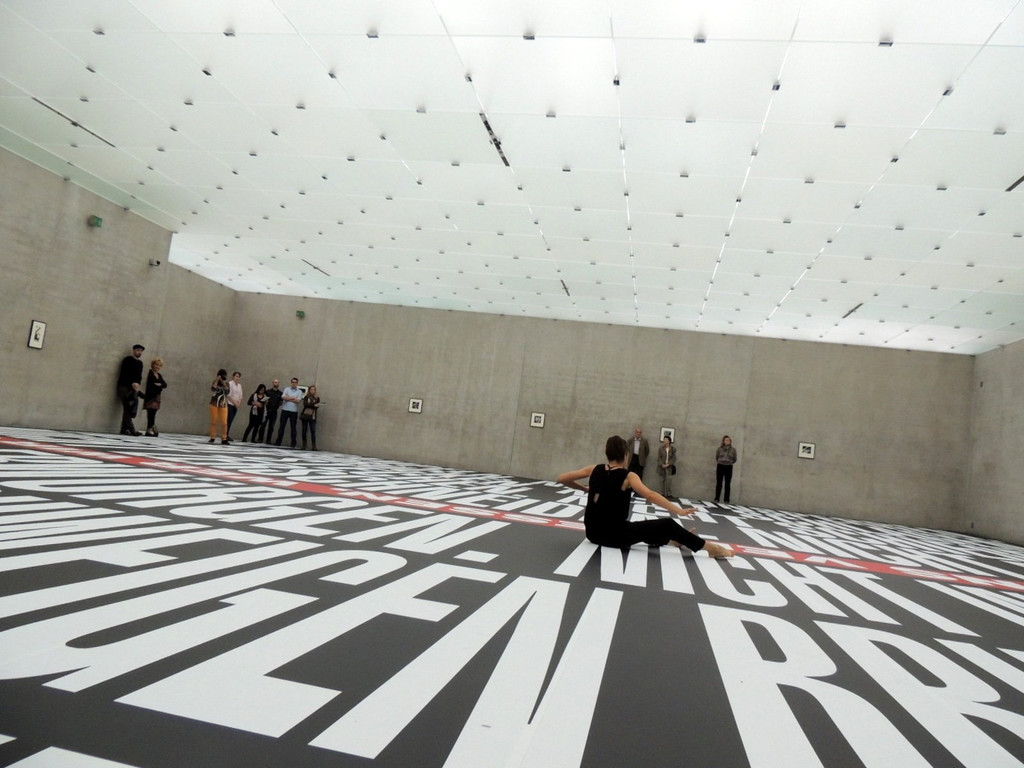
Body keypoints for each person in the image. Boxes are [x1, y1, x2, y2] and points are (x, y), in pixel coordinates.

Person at [557, 436, 732, 558]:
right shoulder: (628, 476)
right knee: (667, 524)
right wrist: (678, 510)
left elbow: (562, 478)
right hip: (615, 536)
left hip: (593, 533)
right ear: (625, 455)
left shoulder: (594, 469)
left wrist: (584, 489)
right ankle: (709, 548)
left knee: (641, 529)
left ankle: (674, 541)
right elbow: (650, 495)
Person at [116, 344, 145, 435]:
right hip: (124, 387)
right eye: (138, 350)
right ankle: (131, 428)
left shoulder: (140, 363)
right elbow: (124, 374)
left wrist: (137, 386)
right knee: (128, 407)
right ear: (134, 350)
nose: (139, 352)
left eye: (141, 351)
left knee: (129, 408)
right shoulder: (128, 360)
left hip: (133, 389)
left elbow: (139, 376)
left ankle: (124, 429)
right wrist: (132, 383)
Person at [142, 357, 168, 437]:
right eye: (156, 365)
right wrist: (159, 385)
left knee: (154, 413)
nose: (158, 367)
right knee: (150, 413)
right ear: (153, 365)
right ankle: (150, 429)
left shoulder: (159, 375)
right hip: (150, 396)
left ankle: (150, 428)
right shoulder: (150, 373)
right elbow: (151, 385)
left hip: (157, 397)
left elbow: (165, 385)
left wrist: (159, 385)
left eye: (159, 365)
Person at [275, 377, 303, 448]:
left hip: (293, 411)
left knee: (293, 427)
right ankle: (278, 442)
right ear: (291, 383)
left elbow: (298, 400)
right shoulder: (287, 389)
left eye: (295, 382)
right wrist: (293, 398)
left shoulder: (299, 391)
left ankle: (293, 443)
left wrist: (288, 398)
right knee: (282, 426)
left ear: (297, 383)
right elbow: (283, 397)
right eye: (292, 382)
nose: (294, 383)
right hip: (285, 410)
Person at [209, 369, 230, 445]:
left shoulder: (227, 383)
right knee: (214, 421)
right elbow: (213, 389)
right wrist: (217, 380)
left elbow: (227, 392)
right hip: (214, 403)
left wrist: (223, 382)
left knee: (224, 422)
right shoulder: (215, 382)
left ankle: (224, 438)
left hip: (223, 404)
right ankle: (212, 437)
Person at [715, 435, 738, 504]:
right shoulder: (719, 449)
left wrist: (729, 462)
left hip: (729, 467)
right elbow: (717, 457)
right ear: (723, 441)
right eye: (726, 440)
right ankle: (717, 498)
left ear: (730, 441)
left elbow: (735, 459)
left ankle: (726, 500)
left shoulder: (733, 450)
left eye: (728, 440)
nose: (727, 441)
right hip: (720, 466)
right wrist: (721, 461)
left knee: (727, 484)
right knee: (719, 483)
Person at [260, 379, 283, 443]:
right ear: (273, 383)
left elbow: (281, 402)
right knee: (263, 425)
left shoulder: (280, 393)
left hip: (274, 411)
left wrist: (279, 404)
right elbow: (263, 400)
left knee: (271, 426)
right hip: (266, 410)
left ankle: (268, 440)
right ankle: (260, 438)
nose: (276, 383)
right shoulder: (267, 392)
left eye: (277, 382)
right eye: (275, 382)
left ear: (279, 384)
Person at [300, 384, 321, 450]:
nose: (312, 391)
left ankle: (314, 446)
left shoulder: (317, 398)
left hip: (313, 416)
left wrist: (314, 405)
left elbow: (317, 406)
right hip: (305, 415)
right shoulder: (306, 397)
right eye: (311, 389)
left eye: (314, 389)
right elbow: (305, 404)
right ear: (309, 390)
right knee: (304, 431)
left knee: (313, 431)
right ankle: (304, 445)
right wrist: (314, 405)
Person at [656, 433, 677, 499]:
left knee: (669, 481)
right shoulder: (660, 448)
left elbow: (674, 458)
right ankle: (661, 493)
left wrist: (668, 464)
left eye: (666, 440)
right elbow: (658, 458)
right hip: (661, 467)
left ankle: (669, 493)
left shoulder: (673, 449)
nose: (664, 441)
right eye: (664, 439)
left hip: (669, 467)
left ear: (669, 441)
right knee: (661, 480)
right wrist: (662, 464)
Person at [225, 371, 243, 440]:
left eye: (239, 377)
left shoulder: (239, 385)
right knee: (229, 420)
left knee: (231, 420)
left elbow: (240, 395)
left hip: (236, 405)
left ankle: (227, 434)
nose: (237, 378)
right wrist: (235, 403)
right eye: (236, 376)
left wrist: (238, 403)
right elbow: (229, 395)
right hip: (230, 404)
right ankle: (225, 435)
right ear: (233, 376)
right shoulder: (230, 384)